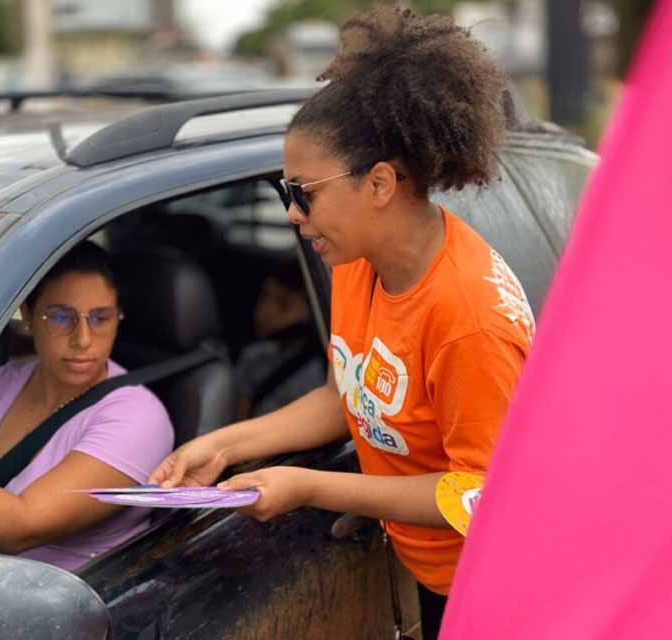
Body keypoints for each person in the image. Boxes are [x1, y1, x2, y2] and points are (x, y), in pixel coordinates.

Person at [149, 7, 533, 638]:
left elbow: (477, 495)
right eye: (285, 193)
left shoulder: (469, 318)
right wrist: (226, 445)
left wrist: (310, 486)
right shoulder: (358, 262)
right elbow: (345, 395)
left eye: (304, 193)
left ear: (379, 183)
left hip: (497, 592)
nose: (294, 217)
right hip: (434, 575)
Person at [0, 241, 173, 571]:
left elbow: (20, 526)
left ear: (118, 320)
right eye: (62, 317)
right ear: (28, 315)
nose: (82, 339)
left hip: (64, 611)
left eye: (100, 318)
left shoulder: (138, 416)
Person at [233, 256, 325, 418]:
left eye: (283, 304)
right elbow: (239, 420)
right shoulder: (253, 357)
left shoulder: (323, 370)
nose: (266, 311)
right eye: (265, 297)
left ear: (310, 312)